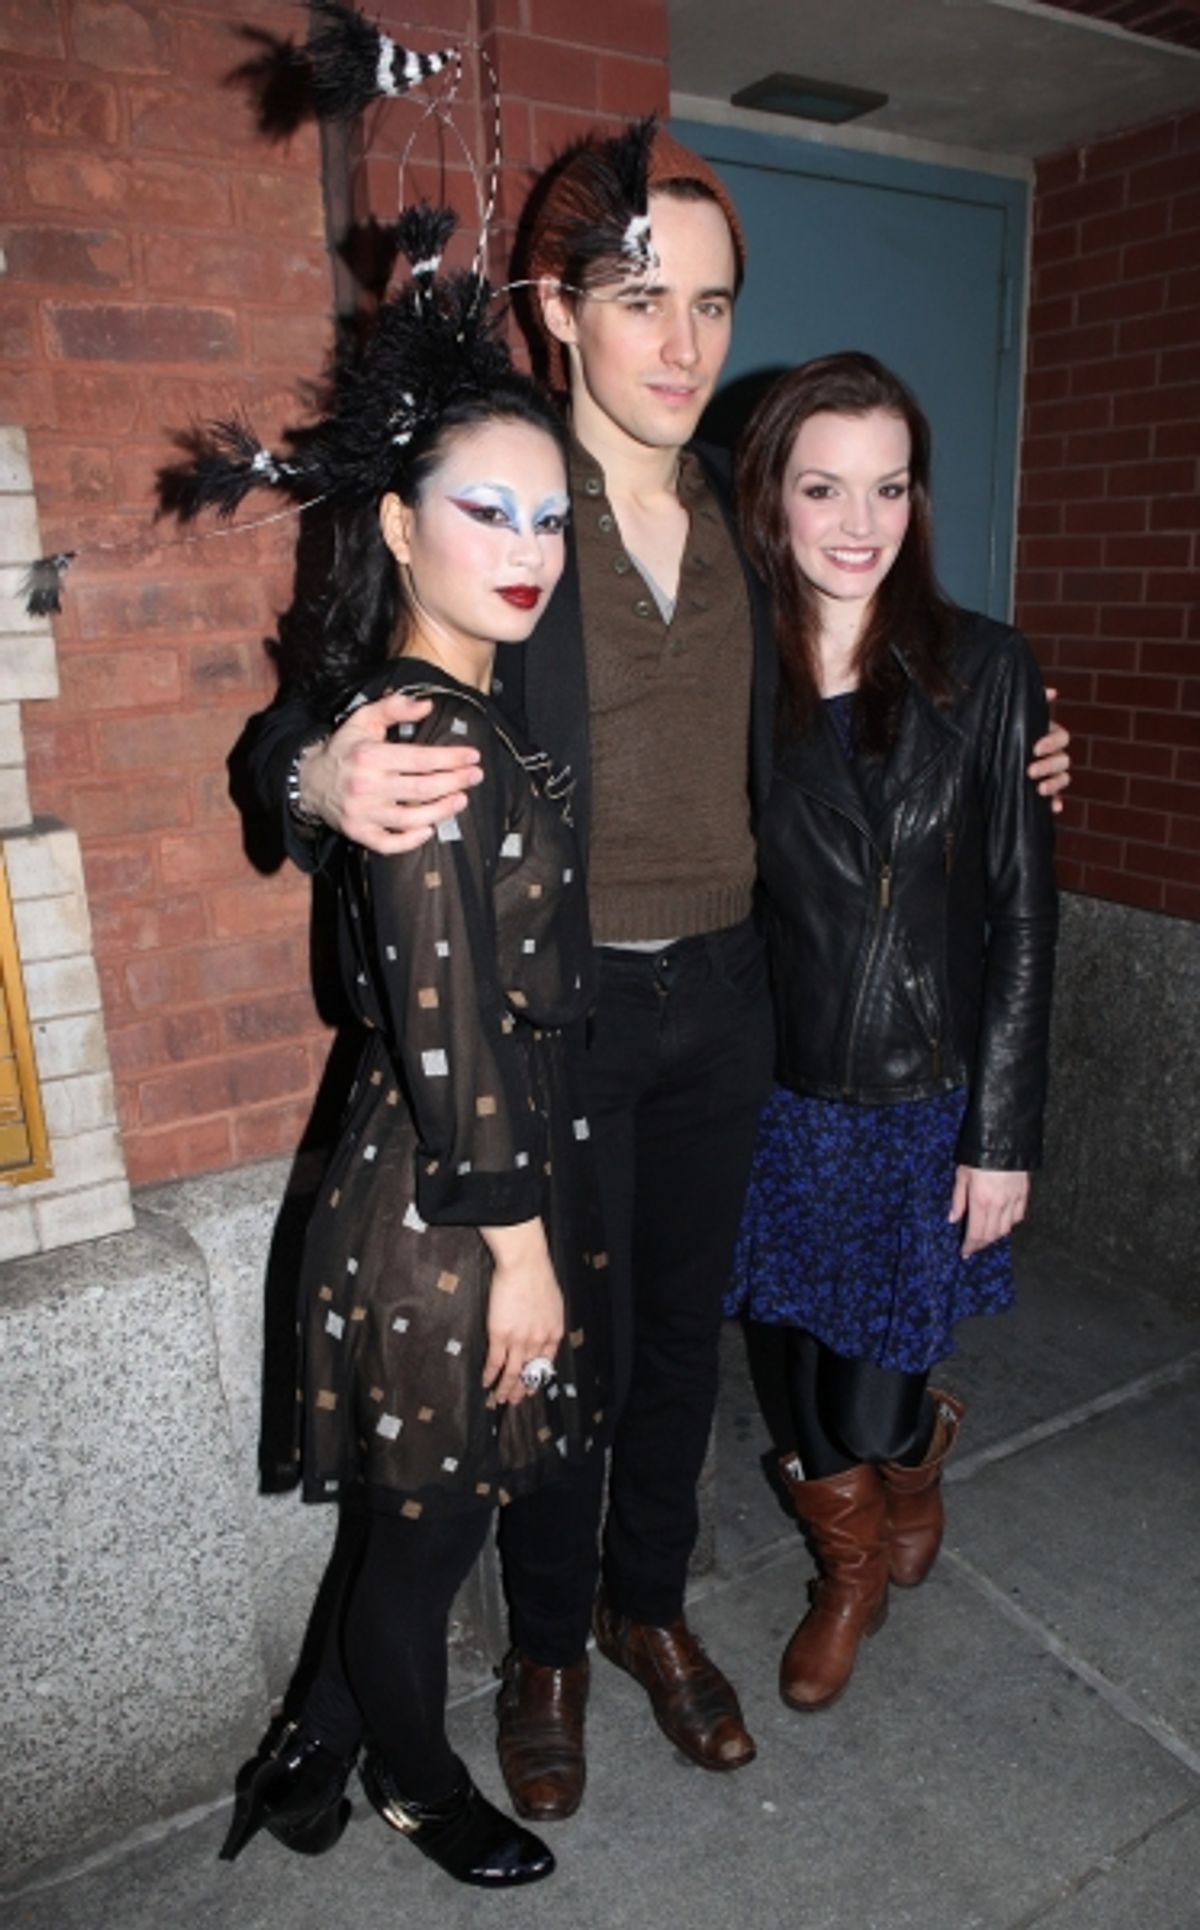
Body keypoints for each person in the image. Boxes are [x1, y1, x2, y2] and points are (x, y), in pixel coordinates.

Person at [247, 118, 1072, 1816]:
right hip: (561, 1014)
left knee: (685, 1344)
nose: (684, 341)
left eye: (711, 303)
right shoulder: (501, 481)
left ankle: (646, 1608)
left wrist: (1015, 754)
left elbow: (878, 668)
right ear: (561, 309)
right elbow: (305, 690)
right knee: (567, 1359)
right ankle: (546, 1643)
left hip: (734, 998)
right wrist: (312, 776)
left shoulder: (749, 515)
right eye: (642, 299)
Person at [208, 226, 611, 1888]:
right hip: (455, 1198)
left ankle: (307, 1748)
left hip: (443, 1171)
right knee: (429, 1536)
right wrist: (523, 1253)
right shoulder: (427, 734)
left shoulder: (454, 700)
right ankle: (413, 1779)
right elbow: (448, 1027)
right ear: (395, 522)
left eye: (549, 520)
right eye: (484, 511)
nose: (526, 550)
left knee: (411, 1508)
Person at [726, 351, 1058, 1716]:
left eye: (888, 486)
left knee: (861, 1406)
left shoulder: (983, 670)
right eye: (822, 487)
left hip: (924, 1100)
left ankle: (907, 1460)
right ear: (770, 500)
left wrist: (1006, 1134)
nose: (858, 522)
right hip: (770, 1092)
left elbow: (1026, 914)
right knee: (797, 1391)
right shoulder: (728, 671)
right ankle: (853, 1563)